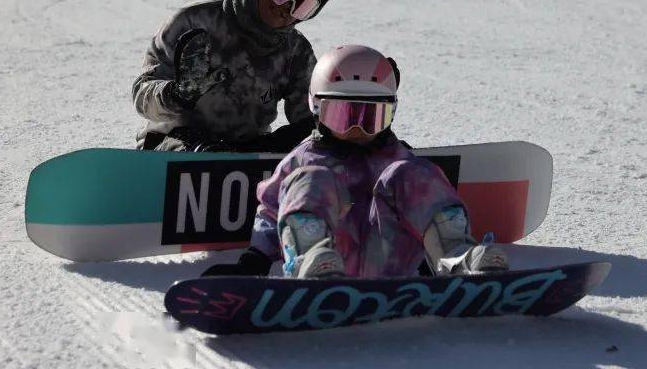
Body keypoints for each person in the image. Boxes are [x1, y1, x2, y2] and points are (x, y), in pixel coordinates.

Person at [204, 45, 509, 278]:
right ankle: (313, 261)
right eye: (343, 116)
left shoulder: (397, 158)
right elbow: (272, 212)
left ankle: (456, 257)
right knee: (311, 178)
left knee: (412, 173)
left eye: (370, 118)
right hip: (331, 261)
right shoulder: (305, 158)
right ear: (317, 109)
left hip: (391, 264)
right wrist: (252, 262)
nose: (357, 130)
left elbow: (425, 206)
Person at [132, 0, 334, 152]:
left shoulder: (295, 51)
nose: (286, 6)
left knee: (303, 142)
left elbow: (308, 120)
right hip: (172, 147)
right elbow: (141, 97)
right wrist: (177, 94)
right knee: (195, 149)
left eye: (303, 4)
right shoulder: (193, 23)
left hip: (243, 154)